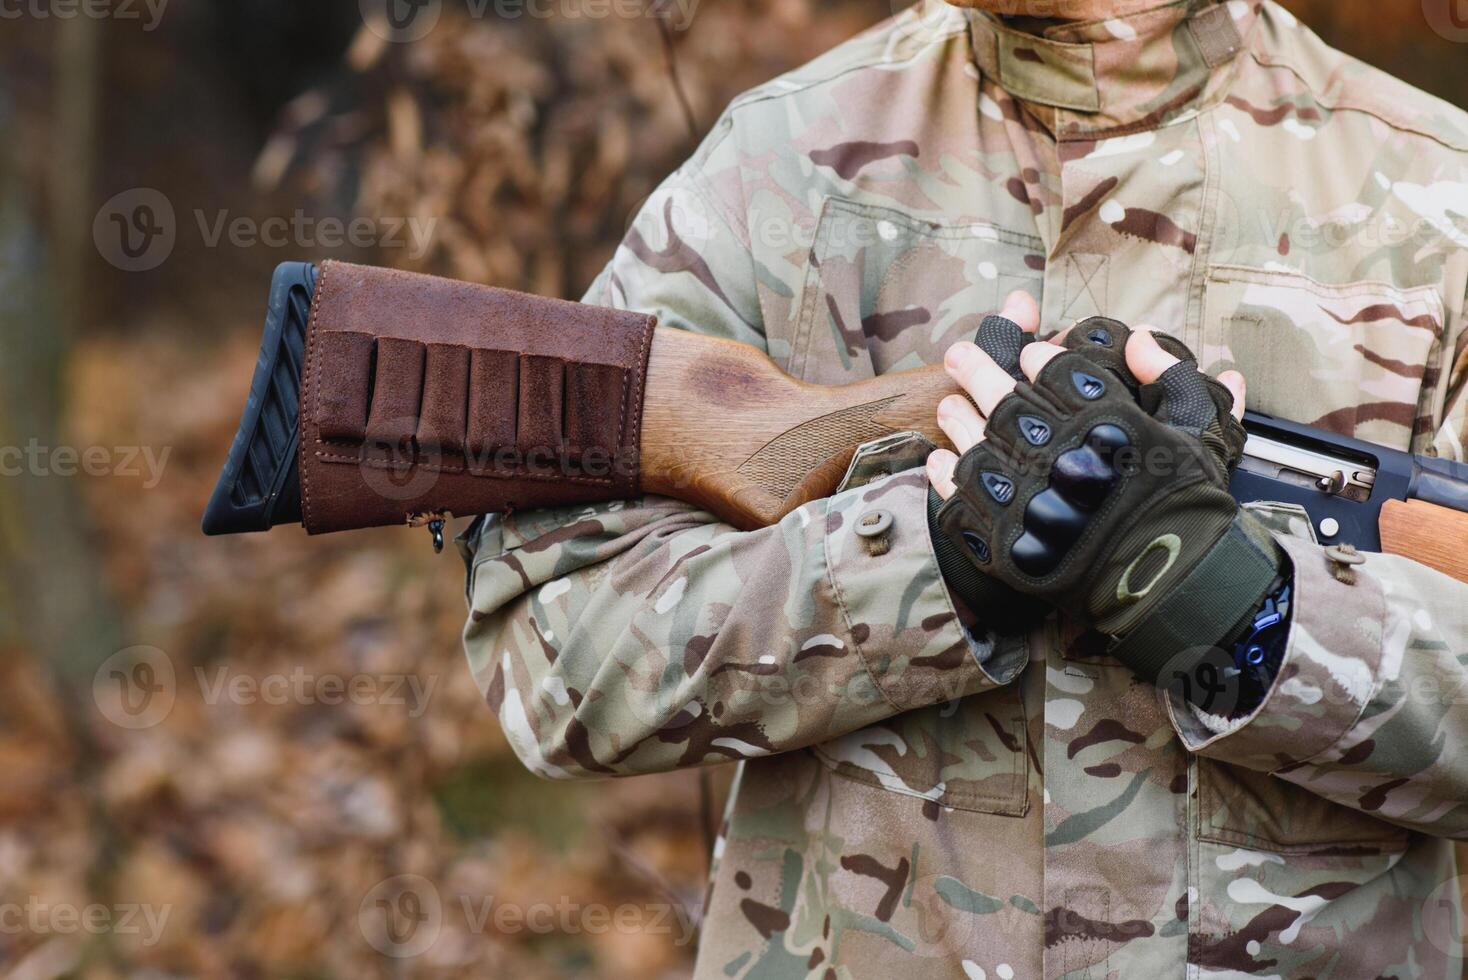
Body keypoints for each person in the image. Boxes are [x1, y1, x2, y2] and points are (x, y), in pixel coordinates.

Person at [461, 1, 1468, 975]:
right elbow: (553, 652)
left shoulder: (1437, 195)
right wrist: (933, 561)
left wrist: (1230, 599)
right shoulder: (777, 164)